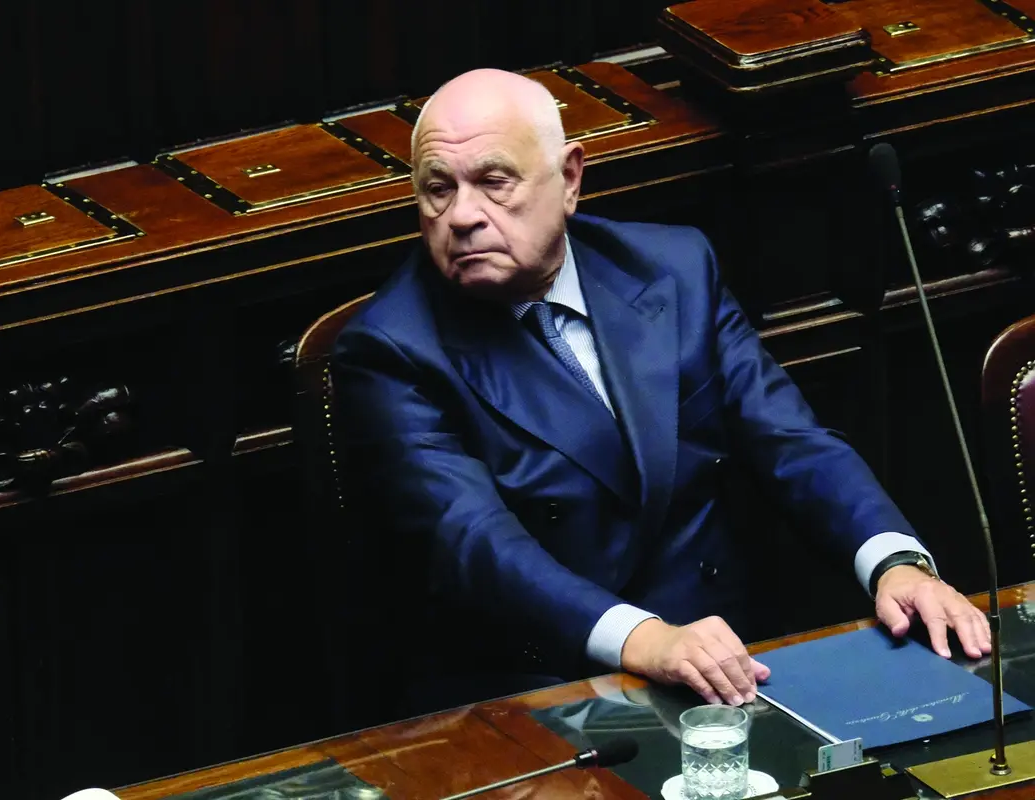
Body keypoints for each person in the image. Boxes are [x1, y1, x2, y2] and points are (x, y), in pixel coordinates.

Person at [331, 68, 990, 710]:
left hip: (728, 663)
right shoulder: (390, 348)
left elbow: (788, 439)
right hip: (535, 692)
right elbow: (476, 544)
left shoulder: (671, 268)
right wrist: (644, 638)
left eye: (493, 181)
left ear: (568, 179)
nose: (463, 216)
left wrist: (893, 562)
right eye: (437, 189)